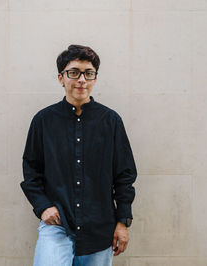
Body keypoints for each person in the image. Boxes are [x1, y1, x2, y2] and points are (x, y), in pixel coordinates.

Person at [20, 44, 137, 266]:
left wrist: (122, 222)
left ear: (94, 78)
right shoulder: (43, 121)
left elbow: (124, 175)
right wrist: (43, 206)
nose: (81, 79)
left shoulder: (111, 121)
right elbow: (31, 170)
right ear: (61, 78)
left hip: (100, 226)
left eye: (88, 73)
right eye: (74, 72)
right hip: (57, 225)